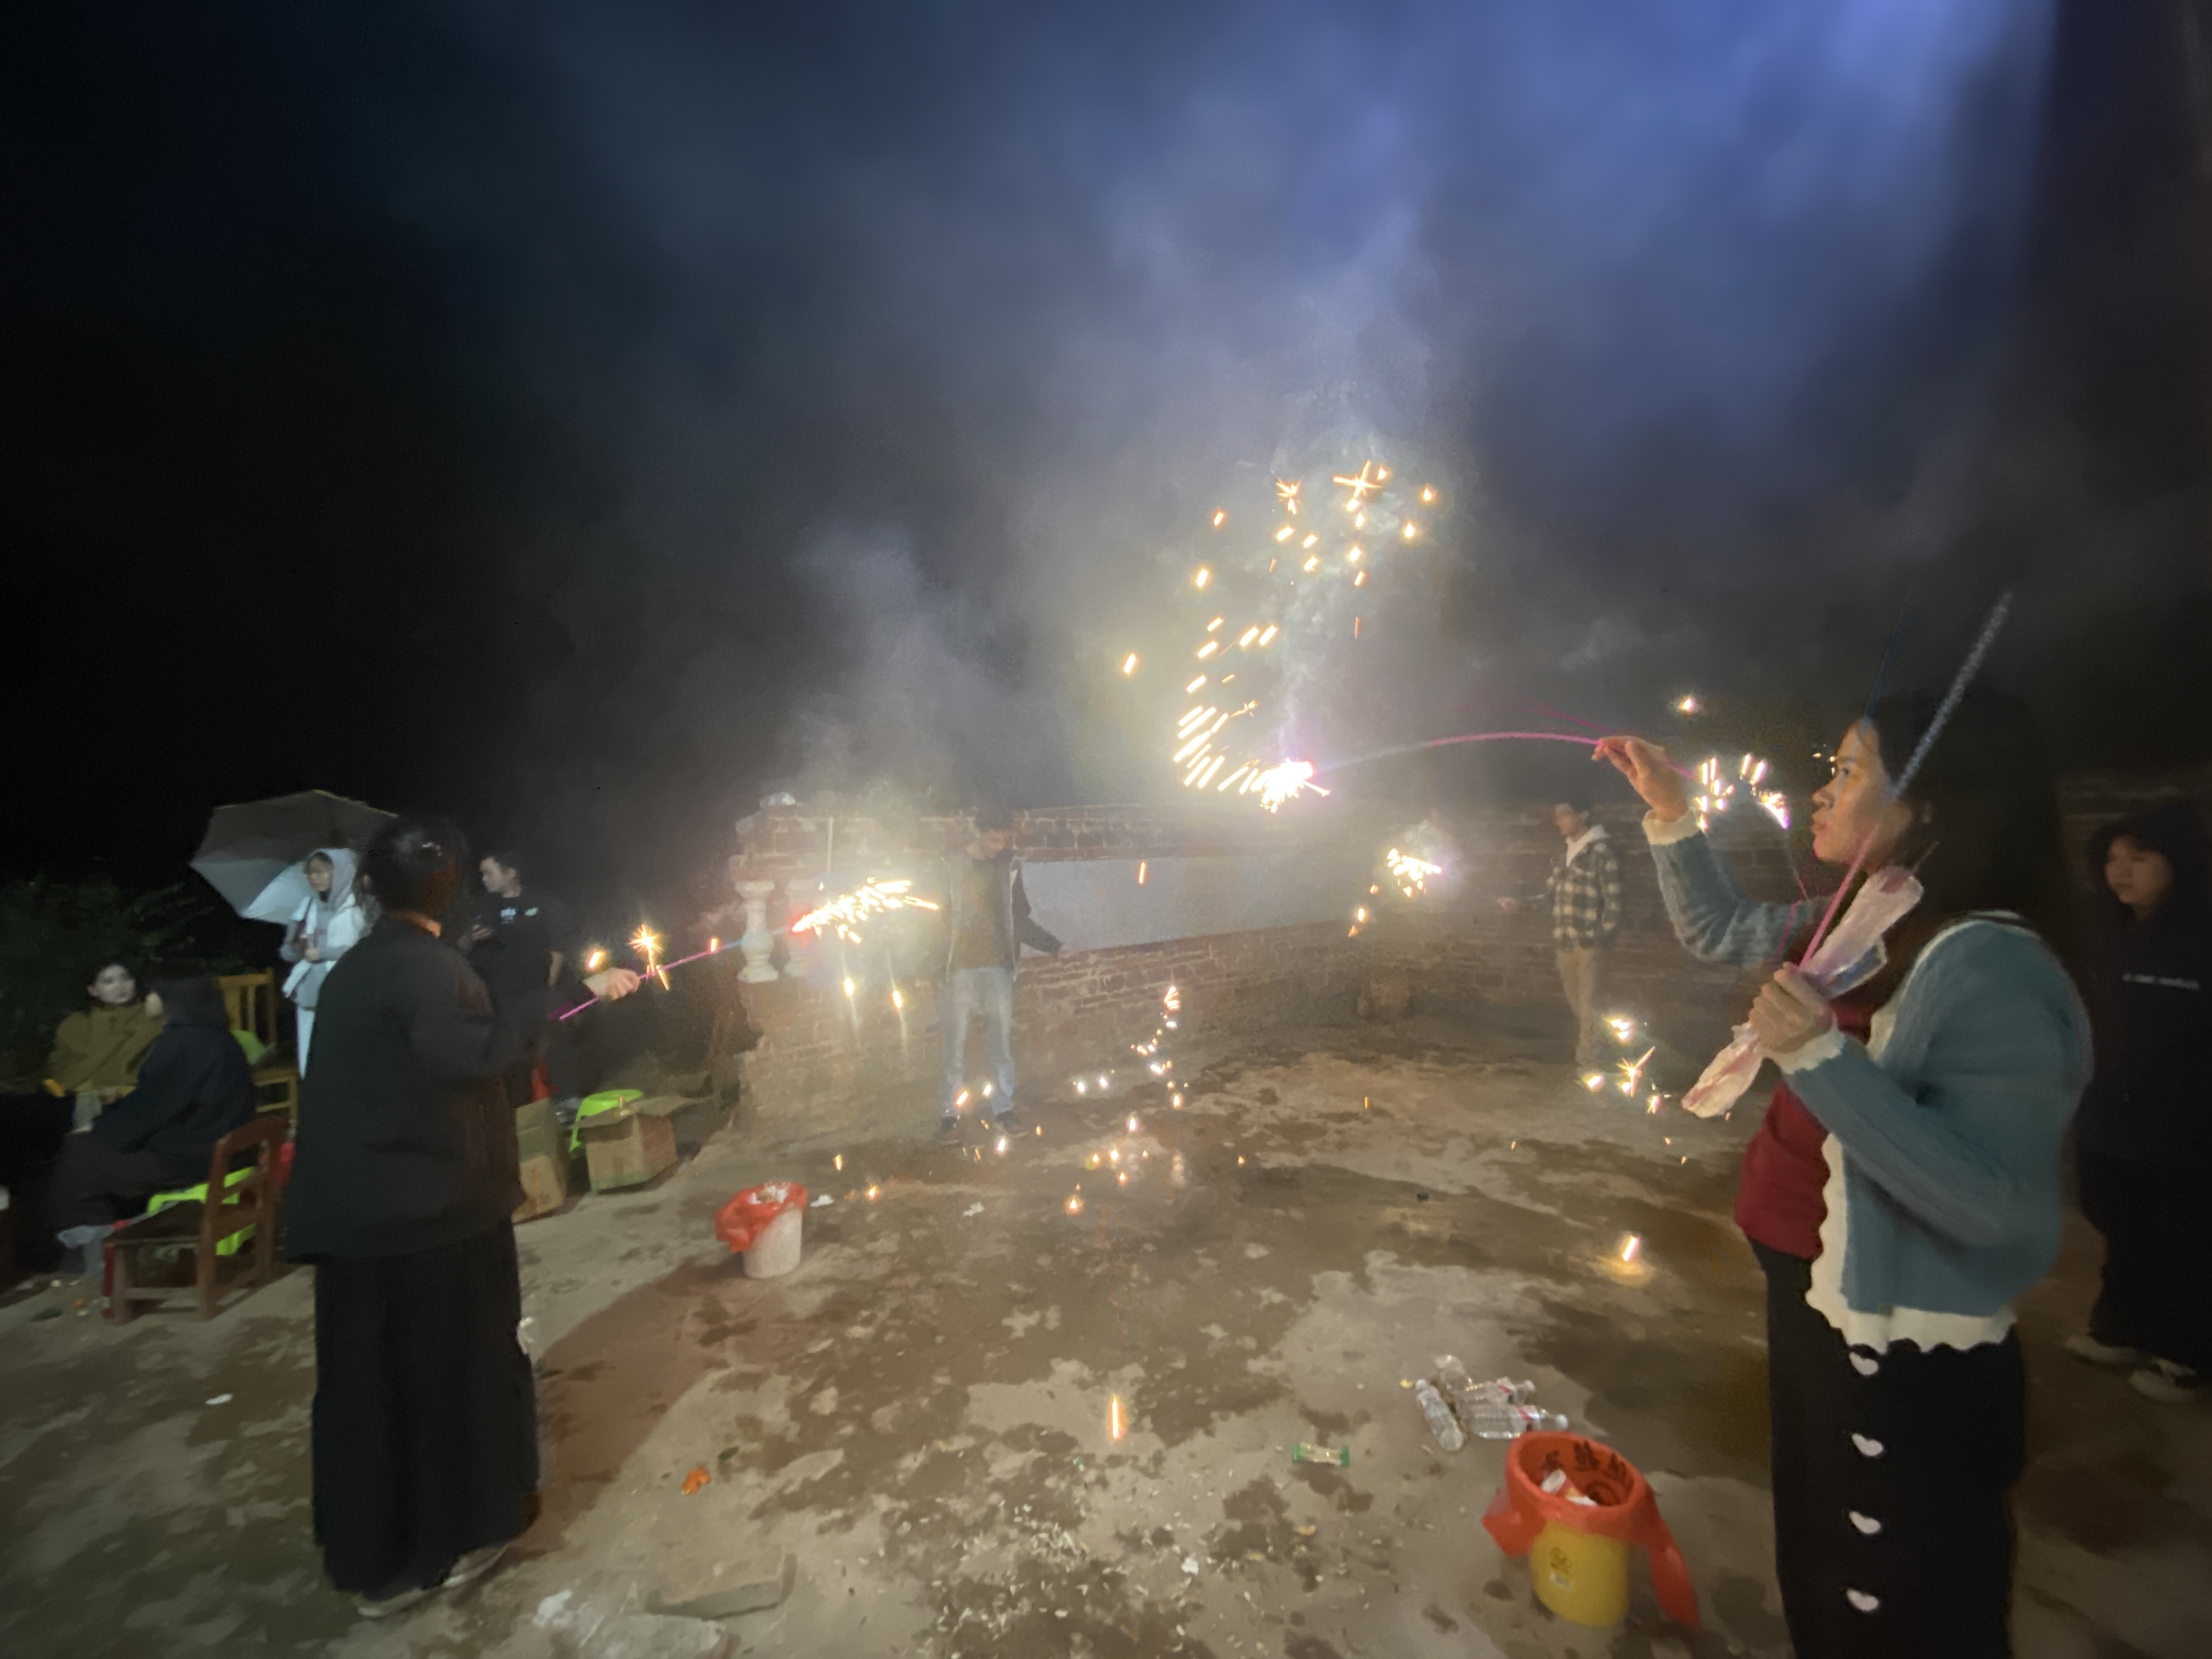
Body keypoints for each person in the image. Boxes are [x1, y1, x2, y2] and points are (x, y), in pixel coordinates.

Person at [1598, 685, 2087, 1657]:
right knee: (1821, 1543)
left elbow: (1995, 1204)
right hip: (1815, 1282)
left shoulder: (1989, 962)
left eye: (1850, 770)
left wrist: (1819, 1057)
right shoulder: (1875, 913)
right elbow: (1721, 930)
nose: (1822, 790)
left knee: (1891, 1586)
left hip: (1896, 1332)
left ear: (1930, 800)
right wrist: (1673, 813)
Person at [287, 814, 639, 1616]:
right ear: (451, 891)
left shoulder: (359, 969)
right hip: (428, 1215)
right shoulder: (425, 969)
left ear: (369, 887)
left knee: (372, 1389)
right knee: (456, 1374)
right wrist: (579, 994)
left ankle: (381, 1560)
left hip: (359, 1217)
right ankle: (467, 1532)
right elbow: (476, 1052)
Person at [2066, 799, 2212, 1403]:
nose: (2121, 871)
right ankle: (2124, 1328)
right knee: (2122, 1228)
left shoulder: (2199, 934)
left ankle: (2187, 1355)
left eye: (2140, 858)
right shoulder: (2108, 932)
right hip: (2109, 1115)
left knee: (2183, 1240)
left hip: (2182, 1121)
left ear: (2177, 862)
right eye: (2112, 859)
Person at [47, 976, 260, 1277]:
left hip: (191, 1159)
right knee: (99, 1149)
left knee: (79, 1155)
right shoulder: (222, 1039)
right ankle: (114, 1241)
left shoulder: (181, 1043)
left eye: (152, 993)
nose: (147, 999)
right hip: (220, 1148)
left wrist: (99, 1129)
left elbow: (150, 1108)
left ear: (169, 999)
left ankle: (97, 1252)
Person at [937, 804, 1062, 1143]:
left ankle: (1004, 1108)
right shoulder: (950, 866)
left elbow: (1018, 917)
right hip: (958, 966)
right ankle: (949, 1114)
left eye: (1003, 839)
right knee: (955, 1044)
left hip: (999, 965)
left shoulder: (1009, 866)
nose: (999, 846)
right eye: (993, 839)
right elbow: (935, 917)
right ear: (977, 831)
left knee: (1001, 1043)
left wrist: (1050, 943)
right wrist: (931, 965)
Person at [1498, 794, 1623, 1071]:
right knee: (1580, 1008)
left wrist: (1601, 936)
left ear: (1583, 815)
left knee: (1590, 1008)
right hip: (1565, 942)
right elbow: (1551, 897)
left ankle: (1589, 1066)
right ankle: (1602, 1057)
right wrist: (1520, 905)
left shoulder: (1601, 852)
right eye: (1557, 817)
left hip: (1590, 944)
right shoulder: (1565, 855)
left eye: (1564, 815)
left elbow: (1614, 902)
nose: (1559, 822)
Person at [458, 849, 574, 1107]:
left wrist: (549, 989)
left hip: (539, 990)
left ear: (511, 874)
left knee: (552, 1046)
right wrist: (470, 938)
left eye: (489, 873)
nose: (484, 879)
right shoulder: (484, 906)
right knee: (515, 1053)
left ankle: (568, 1102)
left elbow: (557, 950)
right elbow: (463, 946)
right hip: (503, 997)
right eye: (482, 874)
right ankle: (526, 1110)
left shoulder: (541, 902)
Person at [279, 848, 370, 1073]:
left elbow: (363, 951)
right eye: (311, 872)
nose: (314, 878)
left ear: (341, 873)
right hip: (310, 995)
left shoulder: (356, 911)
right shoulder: (306, 908)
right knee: (309, 1059)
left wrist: (323, 953)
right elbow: (287, 951)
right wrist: (297, 948)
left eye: (321, 872)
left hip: (344, 994)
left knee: (342, 1060)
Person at [46, 960, 166, 1124]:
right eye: (109, 982)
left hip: (144, 1101)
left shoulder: (154, 1019)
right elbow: (64, 1071)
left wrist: (122, 1091)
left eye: (126, 978)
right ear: (93, 990)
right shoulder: (76, 1025)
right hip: (88, 1102)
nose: (121, 986)